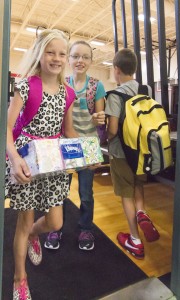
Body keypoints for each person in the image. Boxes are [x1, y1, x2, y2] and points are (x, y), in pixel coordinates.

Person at [5, 29, 78, 300]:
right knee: (23, 223)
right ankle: (19, 277)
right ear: (40, 53)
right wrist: (14, 159)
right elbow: (8, 128)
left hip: (53, 165)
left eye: (61, 53)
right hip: (26, 162)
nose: (56, 58)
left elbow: (68, 132)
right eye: (51, 52)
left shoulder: (68, 93)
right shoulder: (25, 86)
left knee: (56, 222)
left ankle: (35, 235)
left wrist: (88, 153)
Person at [45, 40, 106, 251]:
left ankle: (85, 228)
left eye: (85, 57)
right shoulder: (62, 83)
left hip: (88, 145)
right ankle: (56, 227)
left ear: (91, 60)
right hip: (66, 145)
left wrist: (100, 118)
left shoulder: (96, 85)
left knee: (86, 193)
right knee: (60, 191)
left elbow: (99, 117)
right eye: (76, 56)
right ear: (69, 59)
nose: (80, 60)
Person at [105, 48, 160, 259]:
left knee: (126, 194)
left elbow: (111, 129)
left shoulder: (116, 95)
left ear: (116, 70)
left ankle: (135, 240)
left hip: (121, 153)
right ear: (134, 69)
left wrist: (107, 140)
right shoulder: (145, 90)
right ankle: (142, 213)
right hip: (142, 151)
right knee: (138, 185)